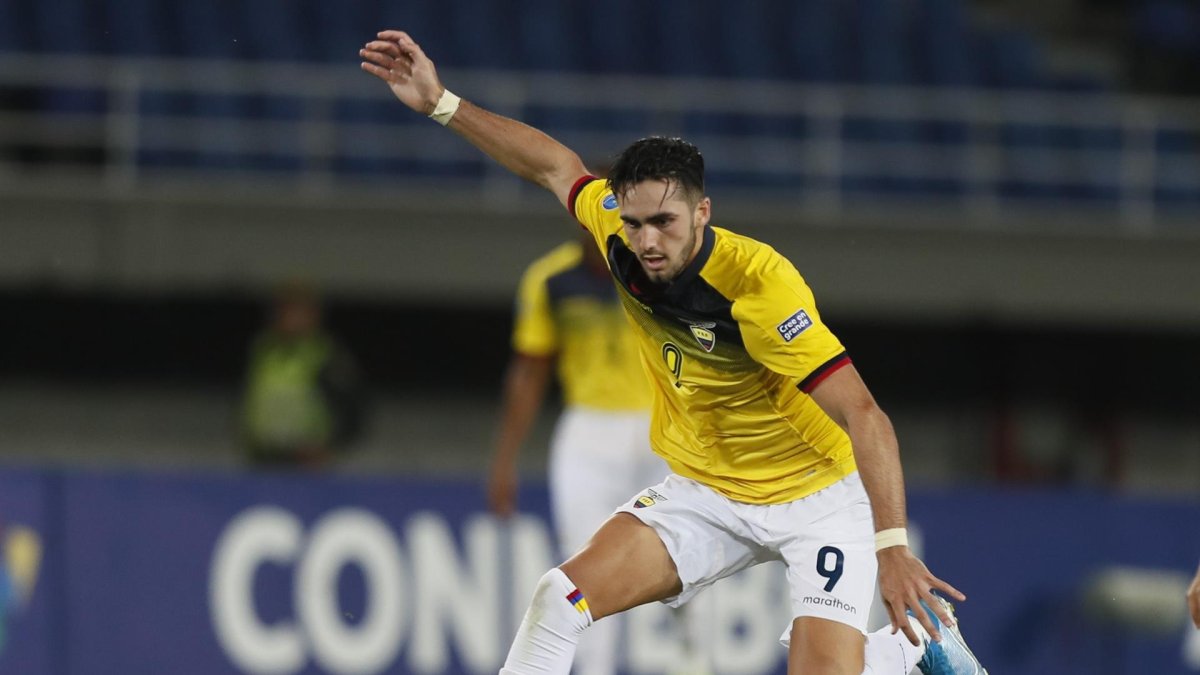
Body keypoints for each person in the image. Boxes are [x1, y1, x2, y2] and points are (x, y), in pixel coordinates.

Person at [361, 31, 989, 675]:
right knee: (559, 598)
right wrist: (441, 102)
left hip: (819, 499)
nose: (647, 240)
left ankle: (908, 652)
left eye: (665, 222)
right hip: (707, 491)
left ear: (702, 212)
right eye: (634, 223)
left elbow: (865, 415)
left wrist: (891, 546)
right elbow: (552, 164)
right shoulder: (616, 229)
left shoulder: (759, 287)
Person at [489, 233, 707, 675]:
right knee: (582, 565)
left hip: (661, 426)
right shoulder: (552, 280)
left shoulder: (661, 272)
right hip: (587, 430)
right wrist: (504, 458)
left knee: (689, 556)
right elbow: (530, 371)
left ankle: (694, 658)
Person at [240, 280, 366, 469]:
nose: (291, 318)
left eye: (298, 312)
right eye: (285, 311)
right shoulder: (264, 349)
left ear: (314, 316)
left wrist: (329, 446)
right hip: (262, 458)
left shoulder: (326, 354)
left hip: (306, 462)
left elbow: (353, 411)